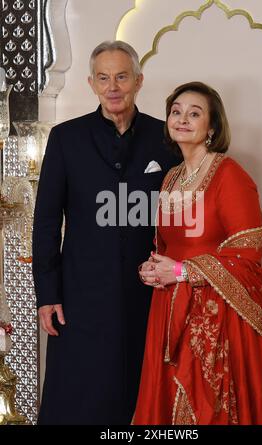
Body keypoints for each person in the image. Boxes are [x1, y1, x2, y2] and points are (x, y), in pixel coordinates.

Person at [32, 41, 179, 425]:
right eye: (103, 78)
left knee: (139, 396)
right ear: (91, 83)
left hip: (147, 296)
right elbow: (46, 221)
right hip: (80, 297)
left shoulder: (166, 138)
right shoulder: (65, 138)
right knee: (79, 398)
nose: (112, 87)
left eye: (121, 77)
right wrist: (47, 295)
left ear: (138, 81)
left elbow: (182, 215)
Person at [134, 81, 262, 425]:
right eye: (176, 112)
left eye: (194, 113)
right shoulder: (171, 178)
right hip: (169, 305)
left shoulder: (230, 175)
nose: (182, 119)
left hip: (215, 314)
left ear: (212, 126)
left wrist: (183, 271)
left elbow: (248, 253)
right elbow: (168, 246)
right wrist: (153, 267)